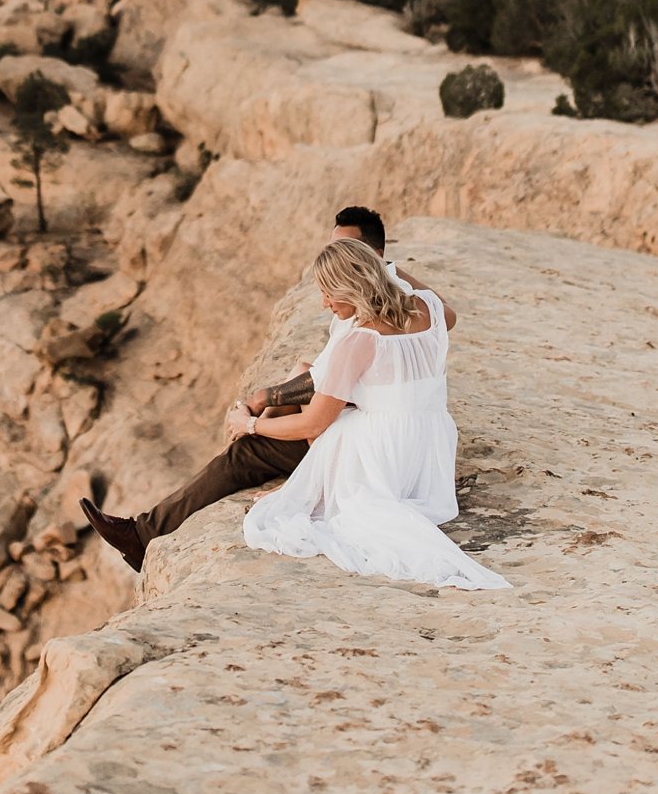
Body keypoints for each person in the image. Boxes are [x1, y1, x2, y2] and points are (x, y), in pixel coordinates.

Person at [82, 206, 430, 574]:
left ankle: (142, 534)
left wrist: (256, 422)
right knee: (276, 407)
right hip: (406, 441)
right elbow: (439, 319)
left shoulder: (362, 327)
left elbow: (317, 418)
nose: (332, 263)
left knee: (245, 454)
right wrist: (272, 399)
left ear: (370, 260)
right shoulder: (418, 306)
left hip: (364, 448)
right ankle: (148, 528)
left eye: (346, 253)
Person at [242, 239, 508, 590]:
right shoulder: (429, 307)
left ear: (349, 287)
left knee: (337, 425)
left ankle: (305, 492)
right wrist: (387, 269)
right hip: (430, 443)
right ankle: (302, 490)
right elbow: (451, 317)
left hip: (384, 450)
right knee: (339, 415)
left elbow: (313, 423)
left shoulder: (359, 341)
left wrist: (250, 424)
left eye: (327, 293)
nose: (324, 304)